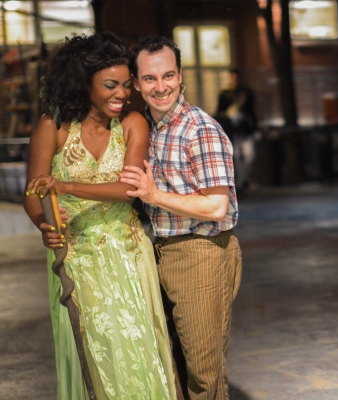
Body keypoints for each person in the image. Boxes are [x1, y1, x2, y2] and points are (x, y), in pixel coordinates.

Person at [23, 32, 177, 399]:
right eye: (110, 85)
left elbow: (128, 189)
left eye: (126, 85)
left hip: (128, 255)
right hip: (78, 258)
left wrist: (65, 185)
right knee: (98, 353)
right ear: (83, 84)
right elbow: (34, 191)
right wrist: (44, 224)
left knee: (139, 347)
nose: (122, 94)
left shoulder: (132, 124)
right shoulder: (54, 126)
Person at [121, 35, 242, 400]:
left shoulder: (199, 130)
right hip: (164, 251)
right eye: (150, 79)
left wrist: (153, 195)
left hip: (202, 253)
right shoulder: (147, 127)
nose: (161, 87)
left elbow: (216, 206)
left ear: (181, 75)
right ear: (137, 83)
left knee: (204, 377)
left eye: (168, 76)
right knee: (174, 365)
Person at [215, 69, 257, 190]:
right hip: (232, 132)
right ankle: (239, 183)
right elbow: (220, 113)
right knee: (236, 157)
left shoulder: (246, 93)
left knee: (249, 156)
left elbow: (251, 112)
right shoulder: (224, 94)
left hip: (246, 130)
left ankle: (243, 180)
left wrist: (254, 128)